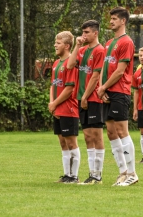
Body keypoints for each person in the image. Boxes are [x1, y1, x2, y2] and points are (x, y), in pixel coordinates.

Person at [97, 6, 138, 186]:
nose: (111, 21)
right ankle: (122, 172)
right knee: (112, 132)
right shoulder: (108, 43)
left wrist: (104, 86)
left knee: (122, 131)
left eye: (115, 18)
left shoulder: (126, 42)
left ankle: (132, 173)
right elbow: (104, 69)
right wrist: (102, 88)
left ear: (123, 21)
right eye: (111, 18)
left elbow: (121, 71)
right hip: (107, 91)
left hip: (120, 91)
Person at [67, 20, 105, 185]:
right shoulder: (82, 50)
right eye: (82, 33)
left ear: (95, 33)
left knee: (96, 135)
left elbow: (96, 76)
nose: (83, 36)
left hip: (93, 98)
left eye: (87, 33)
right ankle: (91, 174)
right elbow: (69, 65)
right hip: (81, 97)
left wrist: (85, 97)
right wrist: (76, 46)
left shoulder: (100, 50)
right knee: (88, 136)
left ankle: (98, 175)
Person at [48, 31, 80, 183]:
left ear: (67, 46)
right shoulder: (56, 64)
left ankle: (74, 176)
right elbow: (53, 85)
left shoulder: (70, 64)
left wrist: (55, 103)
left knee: (71, 142)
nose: (55, 44)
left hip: (68, 108)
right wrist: (51, 103)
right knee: (62, 142)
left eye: (58, 42)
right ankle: (67, 174)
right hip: (57, 108)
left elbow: (69, 89)